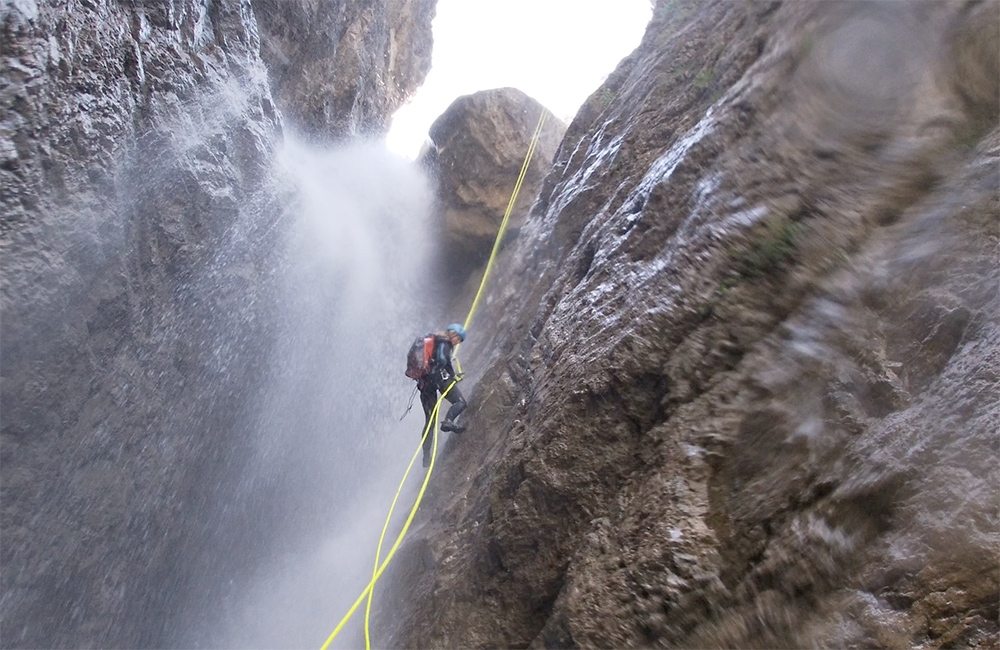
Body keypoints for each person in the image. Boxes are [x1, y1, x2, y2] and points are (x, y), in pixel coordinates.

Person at [418, 323, 468, 467]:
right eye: (458, 339)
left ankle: (426, 456)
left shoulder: (436, 340)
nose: (458, 342)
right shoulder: (445, 342)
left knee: (430, 422)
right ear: (453, 334)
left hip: (425, 384)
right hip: (438, 378)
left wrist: (452, 375)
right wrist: (452, 377)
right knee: (460, 402)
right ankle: (448, 421)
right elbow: (441, 360)